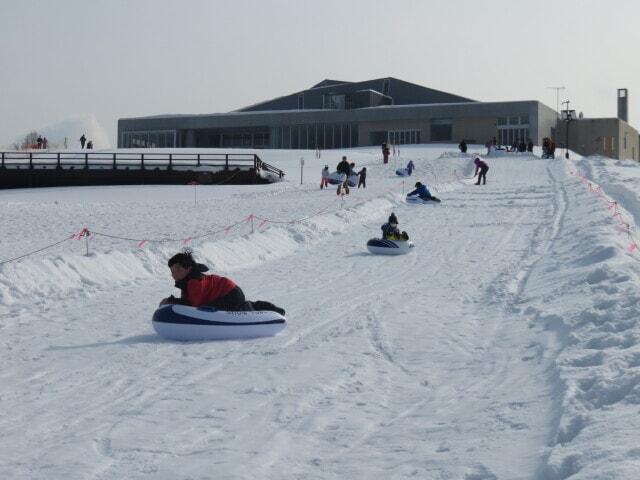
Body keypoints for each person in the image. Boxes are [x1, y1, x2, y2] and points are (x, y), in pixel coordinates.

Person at [160, 251, 285, 315]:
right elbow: (188, 301)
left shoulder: (194, 281)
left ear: (188, 268)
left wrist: (172, 301)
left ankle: (267, 310)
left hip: (230, 293)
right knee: (214, 307)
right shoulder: (186, 281)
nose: (173, 274)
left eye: (177, 270)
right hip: (230, 292)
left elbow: (193, 304)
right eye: (172, 271)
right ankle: (262, 307)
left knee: (236, 308)